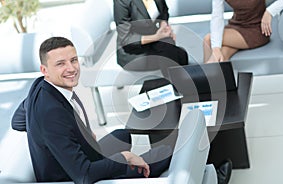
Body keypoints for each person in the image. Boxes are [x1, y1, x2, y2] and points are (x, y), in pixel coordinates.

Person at [11, 36, 173, 184]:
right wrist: (125, 158)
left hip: (80, 153)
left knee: (122, 135)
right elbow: (84, 175)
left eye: (73, 60)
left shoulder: (40, 86)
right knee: (164, 153)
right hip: (71, 177)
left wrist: (74, 134)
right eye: (61, 64)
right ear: (44, 70)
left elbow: (16, 122)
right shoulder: (51, 114)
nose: (71, 68)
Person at [203, 0, 283, 63]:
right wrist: (216, 49)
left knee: (209, 40)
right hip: (235, 26)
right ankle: (210, 86)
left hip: (257, 30)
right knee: (221, 55)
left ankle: (204, 84)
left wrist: (270, 12)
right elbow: (217, 17)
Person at [113, 0, 188, 76]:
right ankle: (174, 83)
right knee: (174, 55)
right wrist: (157, 37)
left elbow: (164, 11)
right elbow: (126, 40)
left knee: (180, 55)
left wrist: (164, 26)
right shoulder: (122, 1)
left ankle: (174, 82)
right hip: (134, 51)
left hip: (153, 41)